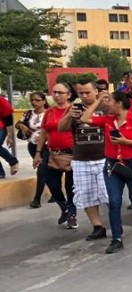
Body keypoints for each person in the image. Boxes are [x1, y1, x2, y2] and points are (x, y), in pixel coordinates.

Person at [73, 90, 132, 253]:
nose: (106, 104)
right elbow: (84, 118)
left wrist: (125, 141)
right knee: (114, 201)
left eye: (109, 101)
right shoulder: (108, 119)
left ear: (119, 103)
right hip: (112, 165)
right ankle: (116, 238)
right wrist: (98, 101)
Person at [59, 80, 110, 241]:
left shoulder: (105, 107)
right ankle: (97, 227)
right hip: (81, 159)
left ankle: (116, 224)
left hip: (103, 157)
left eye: (87, 92)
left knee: (109, 194)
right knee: (87, 195)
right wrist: (69, 115)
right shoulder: (75, 108)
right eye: (81, 93)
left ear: (96, 91)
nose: (84, 96)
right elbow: (61, 128)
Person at [34, 84, 77, 227]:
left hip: (72, 153)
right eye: (54, 92)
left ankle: (72, 215)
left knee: (70, 186)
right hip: (52, 152)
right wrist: (38, 153)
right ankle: (64, 207)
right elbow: (44, 132)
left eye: (60, 92)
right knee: (50, 181)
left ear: (68, 95)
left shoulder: (74, 110)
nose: (57, 95)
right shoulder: (50, 111)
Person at [19, 92, 49, 208]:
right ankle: (54, 193)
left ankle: (37, 199)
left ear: (44, 101)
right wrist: (21, 126)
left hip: (46, 146)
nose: (34, 102)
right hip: (32, 145)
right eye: (32, 100)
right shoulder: (28, 113)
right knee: (44, 170)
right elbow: (18, 123)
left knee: (41, 171)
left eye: (37, 100)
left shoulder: (49, 113)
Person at [0, 93, 18, 177]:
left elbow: (9, 119)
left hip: (2, 127)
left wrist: (10, 136)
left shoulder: (1, 101)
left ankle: (13, 161)